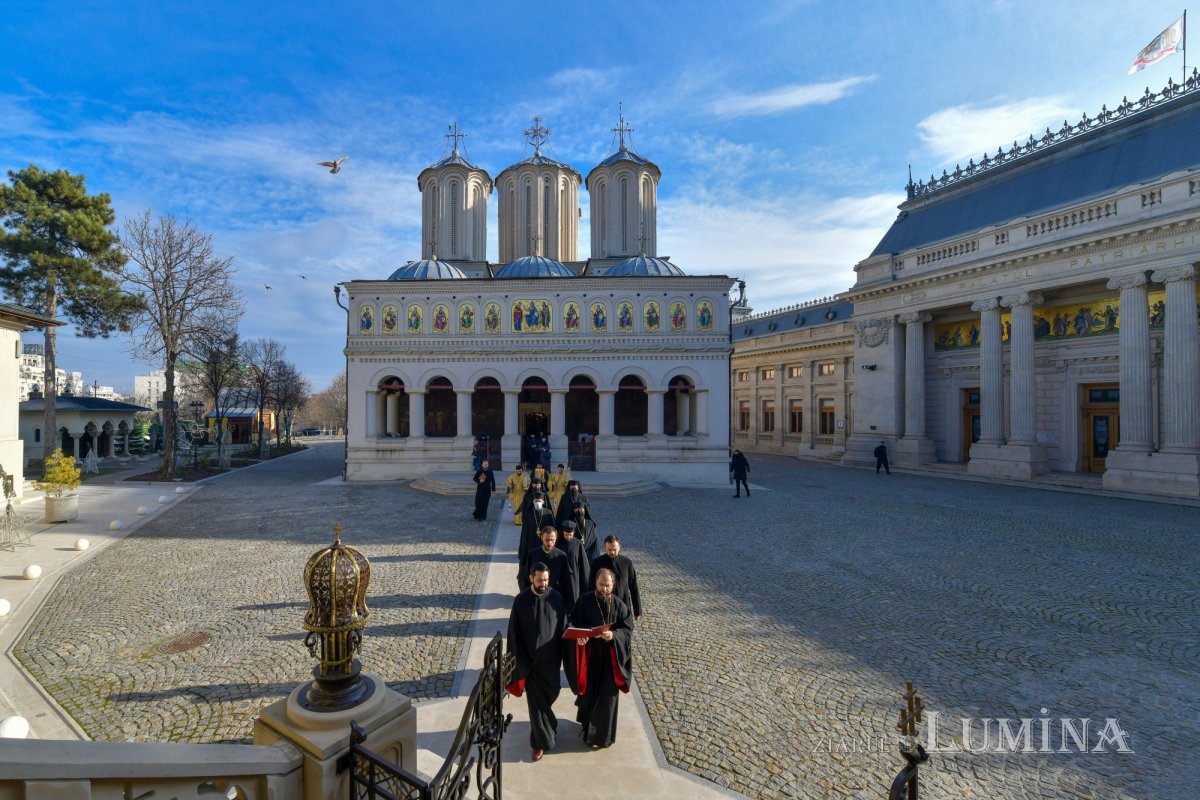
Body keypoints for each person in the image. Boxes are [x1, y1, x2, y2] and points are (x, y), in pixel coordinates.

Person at [507, 562, 568, 762]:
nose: (543, 584)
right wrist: (520, 662)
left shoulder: (556, 598)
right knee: (536, 706)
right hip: (530, 664)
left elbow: (564, 626)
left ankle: (550, 723)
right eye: (540, 580)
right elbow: (513, 633)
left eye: (546, 580)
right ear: (531, 578)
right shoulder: (521, 601)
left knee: (550, 696)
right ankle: (539, 743)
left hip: (552, 663)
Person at [569, 568, 633, 749]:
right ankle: (587, 730)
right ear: (595, 583)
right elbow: (574, 622)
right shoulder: (584, 601)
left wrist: (614, 635)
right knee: (589, 695)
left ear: (613, 585)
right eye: (601, 584)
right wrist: (581, 636)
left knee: (607, 699)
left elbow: (627, 630)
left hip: (611, 659)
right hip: (591, 657)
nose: (604, 589)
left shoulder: (620, 606)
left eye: (608, 585)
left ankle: (604, 738)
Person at [589, 535, 642, 621]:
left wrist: (637, 610)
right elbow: (591, 586)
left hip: (623, 605)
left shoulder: (626, 563)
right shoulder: (597, 563)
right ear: (605, 548)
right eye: (609, 550)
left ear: (619, 547)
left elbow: (633, 587)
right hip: (602, 607)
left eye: (614, 550)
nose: (612, 552)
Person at [520, 525, 568, 593]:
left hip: (555, 595)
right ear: (541, 537)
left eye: (552, 540)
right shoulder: (532, 555)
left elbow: (566, 580)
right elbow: (526, 578)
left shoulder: (561, 556)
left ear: (556, 538)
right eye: (547, 540)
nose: (549, 543)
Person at [555, 519, 590, 611]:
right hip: (560, 578)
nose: (568, 537)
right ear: (563, 532)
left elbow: (583, 564)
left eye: (570, 534)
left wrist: (585, 582)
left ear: (574, 532)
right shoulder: (557, 543)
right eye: (566, 534)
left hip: (574, 579)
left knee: (574, 602)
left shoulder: (578, 544)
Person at [519, 492, 557, 567]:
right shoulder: (528, 513)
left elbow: (552, 528)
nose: (537, 503)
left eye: (539, 501)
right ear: (533, 501)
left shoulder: (548, 513)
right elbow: (525, 531)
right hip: (531, 541)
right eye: (535, 501)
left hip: (545, 541)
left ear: (543, 502)